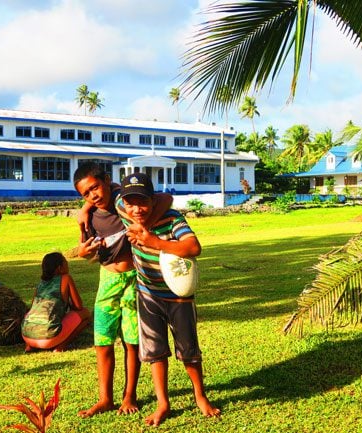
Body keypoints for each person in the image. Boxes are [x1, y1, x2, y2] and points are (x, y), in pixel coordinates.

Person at [115, 172, 220, 426]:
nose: (135, 208)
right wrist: (85, 209)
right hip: (148, 294)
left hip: (179, 296)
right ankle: (163, 403)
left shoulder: (172, 218)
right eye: (130, 203)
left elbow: (194, 248)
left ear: (152, 201)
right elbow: (113, 194)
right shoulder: (125, 212)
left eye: (142, 202)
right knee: (154, 351)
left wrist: (155, 241)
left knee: (189, 351)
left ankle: (200, 396)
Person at [73, 163, 172, 418]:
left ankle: (130, 395)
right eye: (86, 194)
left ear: (107, 181)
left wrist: (144, 224)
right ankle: (105, 398)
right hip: (107, 279)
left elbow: (165, 198)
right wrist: (83, 253)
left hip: (134, 279)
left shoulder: (123, 201)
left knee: (131, 340)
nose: (93, 195)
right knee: (102, 340)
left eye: (95, 187)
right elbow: (86, 250)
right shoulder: (90, 216)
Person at [21, 252, 90, 352]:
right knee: (86, 314)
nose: (67, 263)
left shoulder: (41, 283)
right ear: (59, 268)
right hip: (49, 337)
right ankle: (61, 345)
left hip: (26, 334)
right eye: (65, 262)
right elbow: (79, 306)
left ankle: (30, 346)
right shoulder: (66, 278)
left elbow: (33, 307)